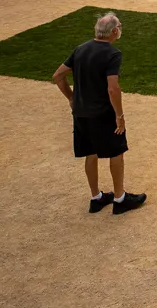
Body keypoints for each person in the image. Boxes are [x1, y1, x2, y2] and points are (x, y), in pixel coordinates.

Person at [52, 12, 147, 215]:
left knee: (90, 153)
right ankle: (120, 199)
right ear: (114, 31)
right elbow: (113, 88)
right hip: (102, 113)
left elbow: (58, 76)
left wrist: (71, 98)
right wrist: (119, 116)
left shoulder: (80, 49)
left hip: (81, 112)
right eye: (119, 27)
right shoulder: (112, 53)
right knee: (116, 152)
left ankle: (96, 198)